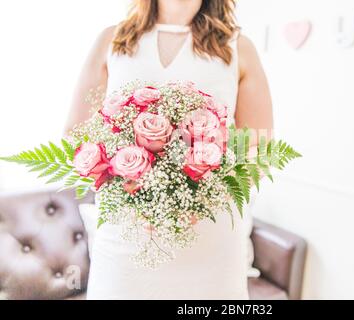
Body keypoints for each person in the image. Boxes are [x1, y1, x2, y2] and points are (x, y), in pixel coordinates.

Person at [66, 0, 273, 299]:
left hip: (210, 243)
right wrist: (130, 194)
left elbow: (259, 147)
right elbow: (76, 133)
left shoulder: (238, 47)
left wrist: (204, 197)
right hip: (127, 241)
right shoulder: (113, 41)